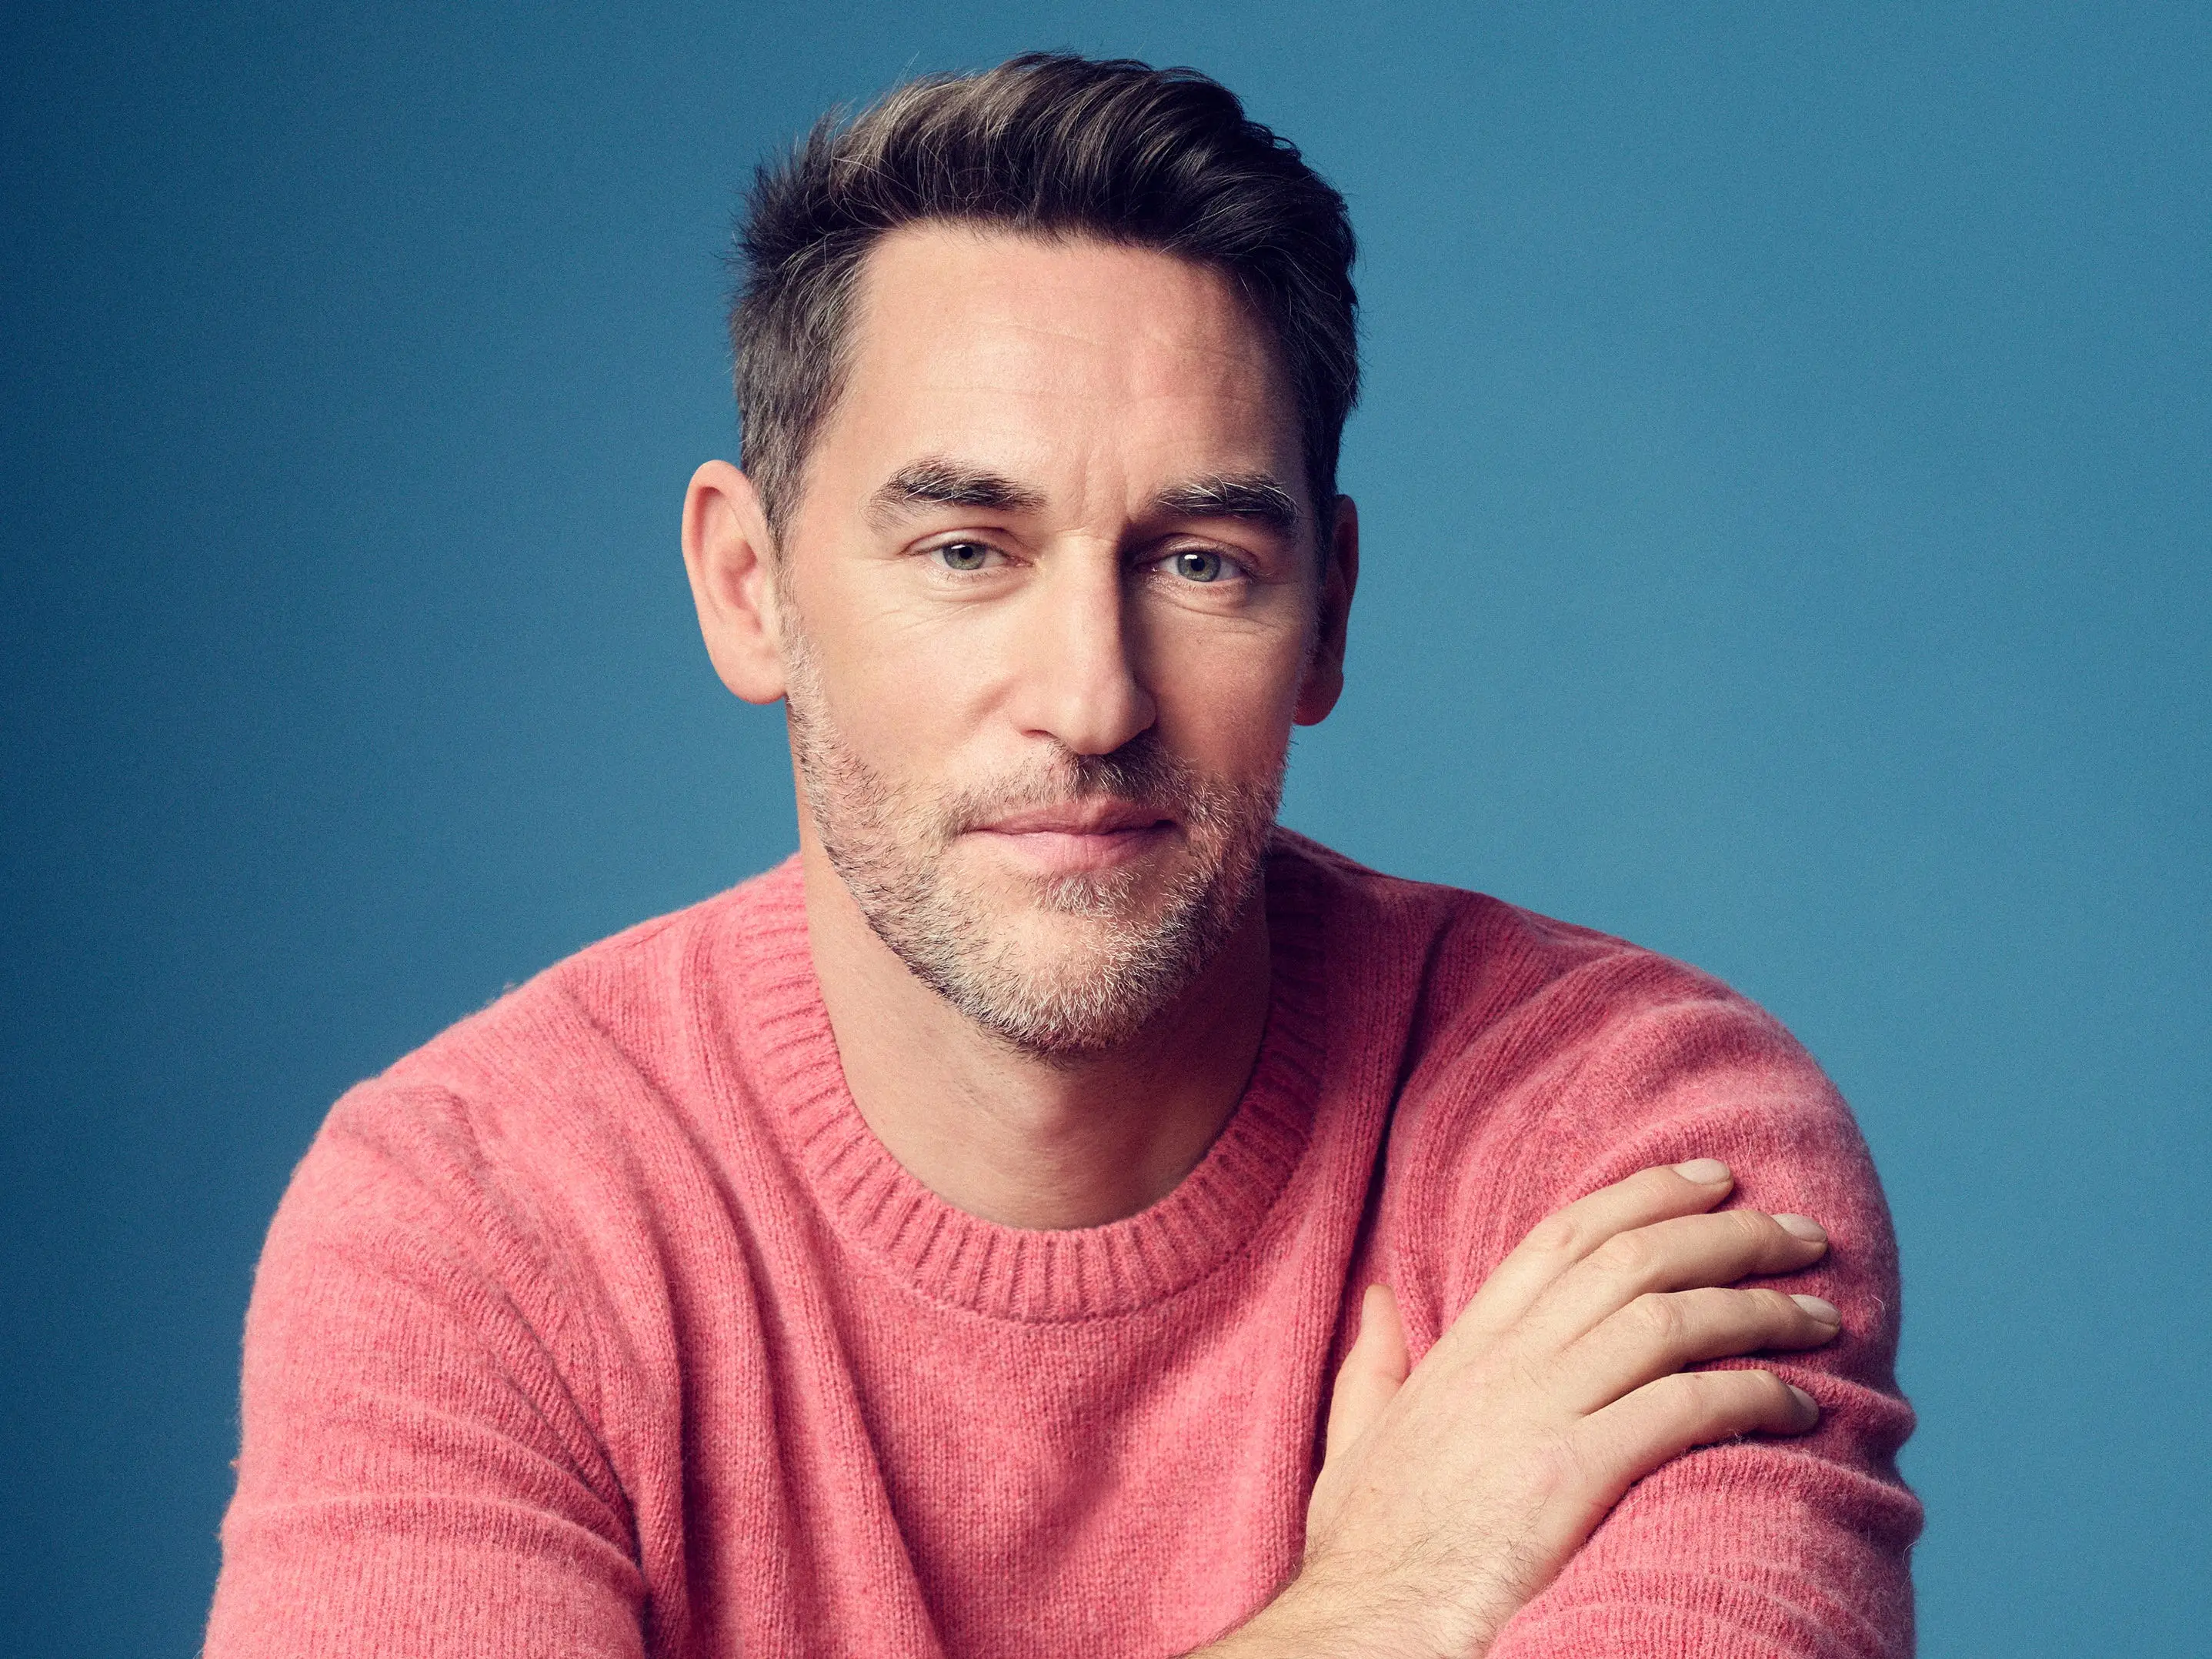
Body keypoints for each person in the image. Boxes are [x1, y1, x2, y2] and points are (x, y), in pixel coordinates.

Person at [205, 53, 1919, 1659]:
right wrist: (1367, 1607)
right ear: (752, 587)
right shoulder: (479, 1223)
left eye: (1197, 562)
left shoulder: (1631, 1149)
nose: (1093, 700)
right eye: (967, 547)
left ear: (1327, 611)